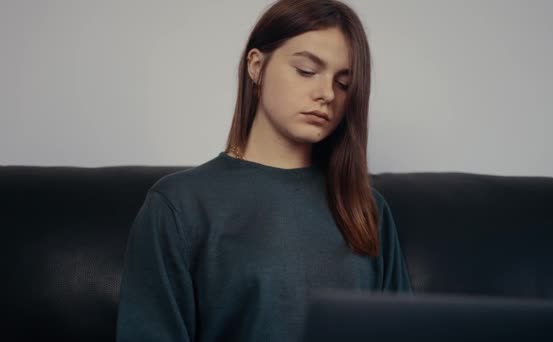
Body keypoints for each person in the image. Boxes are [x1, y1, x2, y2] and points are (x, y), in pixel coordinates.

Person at [115, 0, 412, 341]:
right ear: (256, 66)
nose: (327, 94)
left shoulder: (367, 209)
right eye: (306, 71)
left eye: (344, 83)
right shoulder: (178, 206)